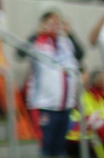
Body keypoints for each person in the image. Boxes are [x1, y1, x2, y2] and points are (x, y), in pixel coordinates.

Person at [20, 10, 82, 158]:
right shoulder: (38, 42)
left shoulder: (65, 42)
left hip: (65, 105)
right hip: (45, 106)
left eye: (57, 21)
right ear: (43, 24)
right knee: (46, 148)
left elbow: (80, 54)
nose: (55, 25)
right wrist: (35, 33)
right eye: (51, 22)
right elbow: (20, 53)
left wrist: (71, 33)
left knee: (61, 148)